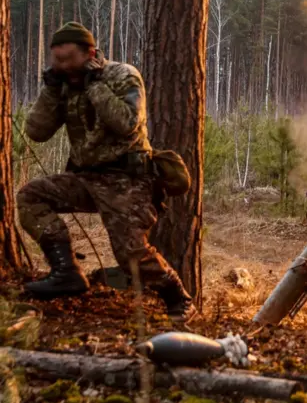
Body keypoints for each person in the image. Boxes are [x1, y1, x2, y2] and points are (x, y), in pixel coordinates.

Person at [16, 22, 196, 322]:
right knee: (30, 196)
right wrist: (50, 90)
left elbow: (127, 123)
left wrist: (94, 85)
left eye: (68, 59)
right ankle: (66, 273)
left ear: (90, 53)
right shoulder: (63, 85)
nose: (62, 66)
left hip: (128, 180)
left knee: (130, 255)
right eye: (56, 61)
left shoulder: (122, 75)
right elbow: (36, 132)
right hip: (86, 178)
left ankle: (178, 296)